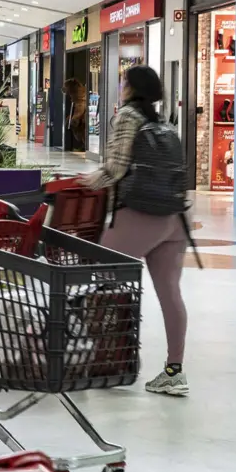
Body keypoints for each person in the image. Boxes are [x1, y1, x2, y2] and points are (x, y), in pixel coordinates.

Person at [80, 65, 190, 397]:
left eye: (123, 81)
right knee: (170, 293)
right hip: (175, 218)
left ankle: (112, 354)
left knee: (91, 271)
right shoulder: (165, 124)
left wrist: (85, 182)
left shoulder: (127, 117)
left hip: (142, 214)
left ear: (131, 88)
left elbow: (115, 168)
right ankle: (174, 371)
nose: (121, 85)